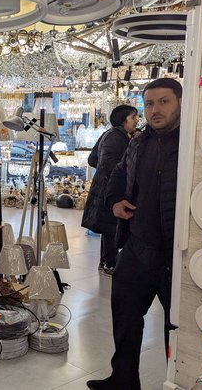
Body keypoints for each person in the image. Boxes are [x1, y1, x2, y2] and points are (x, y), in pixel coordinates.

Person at [87, 78, 182, 390]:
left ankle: (177, 382)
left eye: (164, 101)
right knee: (125, 316)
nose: (155, 110)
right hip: (137, 246)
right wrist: (114, 201)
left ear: (180, 103)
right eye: (149, 103)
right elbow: (117, 175)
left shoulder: (191, 143)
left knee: (176, 327)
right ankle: (123, 379)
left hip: (176, 253)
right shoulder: (138, 142)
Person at [81, 105, 139, 276]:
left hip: (105, 186)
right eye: (133, 117)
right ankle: (110, 264)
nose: (136, 121)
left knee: (109, 227)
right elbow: (108, 164)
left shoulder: (113, 134)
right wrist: (120, 177)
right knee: (111, 227)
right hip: (109, 189)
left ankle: (106, 262)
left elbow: (93, 159)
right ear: (123, 119)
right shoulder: (116, 137)